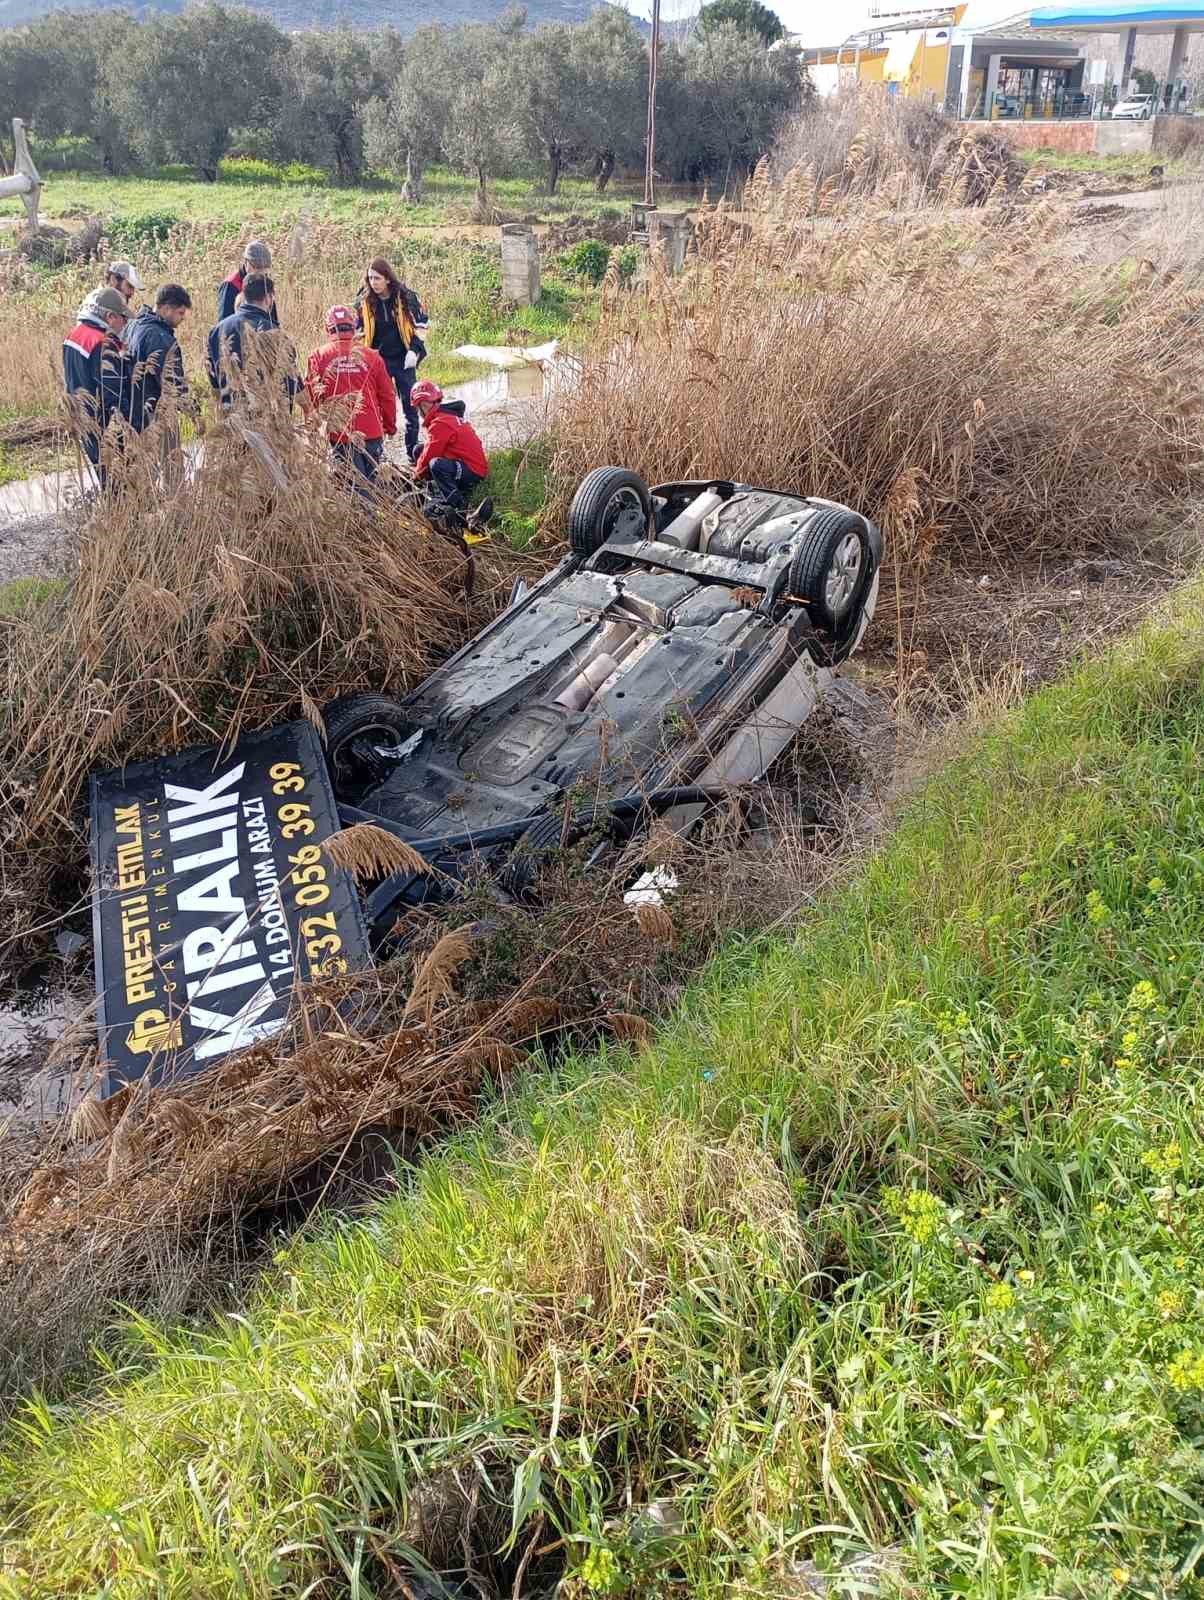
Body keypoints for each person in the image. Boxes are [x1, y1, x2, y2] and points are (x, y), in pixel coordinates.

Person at [306, 304, 397, 489]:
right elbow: (388, 395)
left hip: (341, 435)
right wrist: (390, 426)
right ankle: (375, 516)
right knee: (373, 485)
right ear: (354, 327)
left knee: (356, 489)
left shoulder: (318, 356)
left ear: (327, 329)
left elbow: (312, 398)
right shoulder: (372, 356)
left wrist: (314, 429)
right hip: (372, 432)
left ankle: (368, 517)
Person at [355, 257, 428, 464]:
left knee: (410, 407)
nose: (373, 283)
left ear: (387, 278)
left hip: (404, 358)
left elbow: (422, 324)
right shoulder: (364, 301)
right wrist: (362, 356)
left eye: (377, 278)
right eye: (370, 278)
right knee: (377, 407)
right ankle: (378, 453)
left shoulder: (405, 297)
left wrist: (414, 350)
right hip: (378, 361)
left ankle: (412, 452)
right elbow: (359, 331)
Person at [62, 285, 133, 488]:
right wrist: (129, 427)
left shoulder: (73, 335)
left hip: (85, 421)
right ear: (110, 317)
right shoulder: (102, 342)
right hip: (106, 425)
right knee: (121, 487)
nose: (125, 323)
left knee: (106, 482)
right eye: (123, 317)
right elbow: (113, 393)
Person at [207, 272, 305, 412]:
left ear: (244, 295)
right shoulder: (273, 332)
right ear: (269, 298)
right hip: (265, 418)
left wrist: (221, 410)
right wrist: (309, 410)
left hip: (231, 417)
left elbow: (214, 379)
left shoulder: (217, 330)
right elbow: (292, 380)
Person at [410, 379, 491, 525]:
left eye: (418, 407)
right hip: (465, 464)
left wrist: (415, 476)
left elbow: (431, 454)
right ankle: (437, 493)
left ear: (423, 405)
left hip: (474, 470)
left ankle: (460, 510)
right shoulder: (447, 416)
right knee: (418, 450)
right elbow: (428, 450)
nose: (418, 412)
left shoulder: (440, 423)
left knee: (436, 464)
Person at [125, 283, 193, 433]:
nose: (183, 319)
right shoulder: (160, 337)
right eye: (181, 313)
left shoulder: (135, 325)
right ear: (167, 308)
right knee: (166, 456)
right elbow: (172, 383)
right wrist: (194, 413)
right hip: (156, 417)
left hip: (134, 415)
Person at [216, 240, 279, 326]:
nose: (259, 272)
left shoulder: (265, 284)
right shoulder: (230, 284)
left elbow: (273, 321)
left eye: (263, 268)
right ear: (246, 262)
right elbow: (224, 325)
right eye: (255, 266)